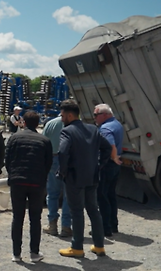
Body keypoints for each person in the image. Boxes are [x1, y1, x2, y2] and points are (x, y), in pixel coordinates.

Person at [57, 99, 112, 258]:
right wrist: (100, 165)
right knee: (94, 211)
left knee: (77, 212)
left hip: (74, 177)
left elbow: (62, 152)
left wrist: (63, 171)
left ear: (69, 115)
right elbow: (107, 147)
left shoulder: (67, 131)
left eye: (62, 116)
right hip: (92, 176)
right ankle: (99, 246)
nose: (61, 119)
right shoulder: (93, 129)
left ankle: (77, 247)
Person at [5, 110, 53, 263]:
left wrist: (13, 175)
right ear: (38, 124)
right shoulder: (45, 141)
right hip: (36, 184)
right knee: (35, 219)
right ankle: (34, 253)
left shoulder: (13, 138)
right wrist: (41, 178)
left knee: (17, 218)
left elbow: (7, 160)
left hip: (17, 182)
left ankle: (16, 254)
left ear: (23, 122)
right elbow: (48, 163)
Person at [94, 103, 124, 237]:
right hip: (114, 166)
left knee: (102, 196)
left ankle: (105, 228)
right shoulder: (116, 124)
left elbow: (111, 145)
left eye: (96, 115)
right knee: (111, 195)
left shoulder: (105, 128)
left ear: (104, 115)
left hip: (106, 165)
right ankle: (113, 225)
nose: (94, 118)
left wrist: (114, 157)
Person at [42, 114, 72, 237]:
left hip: (53, 159)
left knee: (52, 193)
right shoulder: (76, 125)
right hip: (70, 160)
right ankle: (66, 226)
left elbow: (43, 142)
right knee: (68, 195)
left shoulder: (51, 123)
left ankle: (52, 224)